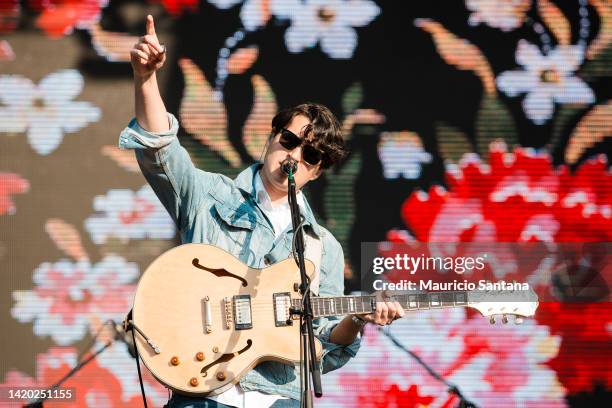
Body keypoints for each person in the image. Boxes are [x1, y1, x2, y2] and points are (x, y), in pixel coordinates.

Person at [120, 15, 404, 408]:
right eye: (289, 140)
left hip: (277, 399)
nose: (295, 155)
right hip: (202, 391)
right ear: (271, 137)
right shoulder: (208, 194)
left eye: (310, 155)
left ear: (317, 170)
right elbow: (159, 150)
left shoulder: (323, 248)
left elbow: (324, 345)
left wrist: (358, 317)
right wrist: (146, 77)